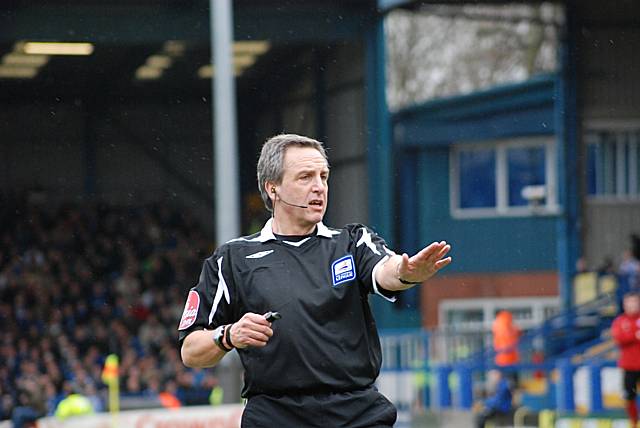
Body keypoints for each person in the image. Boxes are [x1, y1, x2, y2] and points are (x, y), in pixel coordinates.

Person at [179, 134, 452, 427]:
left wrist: (405, 273)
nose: (319, 187)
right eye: (305, 177)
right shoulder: (233, 260)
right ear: (274, 189)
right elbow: (190, 351)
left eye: (323, 176)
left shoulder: (351, 242)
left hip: (357, 413)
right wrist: (228, 335)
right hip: (275, 416)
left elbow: (384, 270)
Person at [611, 292, 640, 428]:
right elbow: (619, 338)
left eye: (634, 302)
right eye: (629, 302)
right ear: (624, 304)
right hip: (629, 366)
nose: (632, 305)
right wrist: (635, 335)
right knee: (629, 396)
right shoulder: (620, 321)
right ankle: (634, 423)